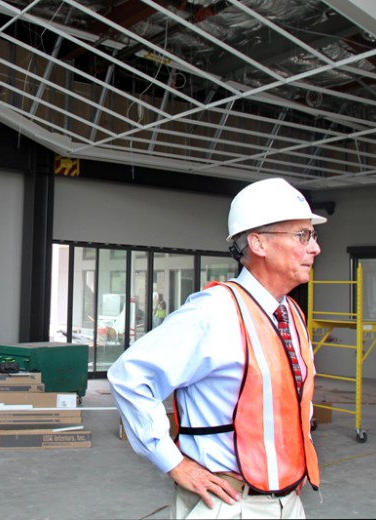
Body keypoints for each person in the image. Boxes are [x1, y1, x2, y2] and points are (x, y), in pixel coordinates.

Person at [108, 177, 326, 519]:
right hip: (229, 504)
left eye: (312, 236)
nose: (315, 248)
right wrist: (174, 463)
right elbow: (129, 375)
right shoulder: (214, 312)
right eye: (303, 235)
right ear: (259, 243)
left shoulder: (290, 314)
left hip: (287, 501)